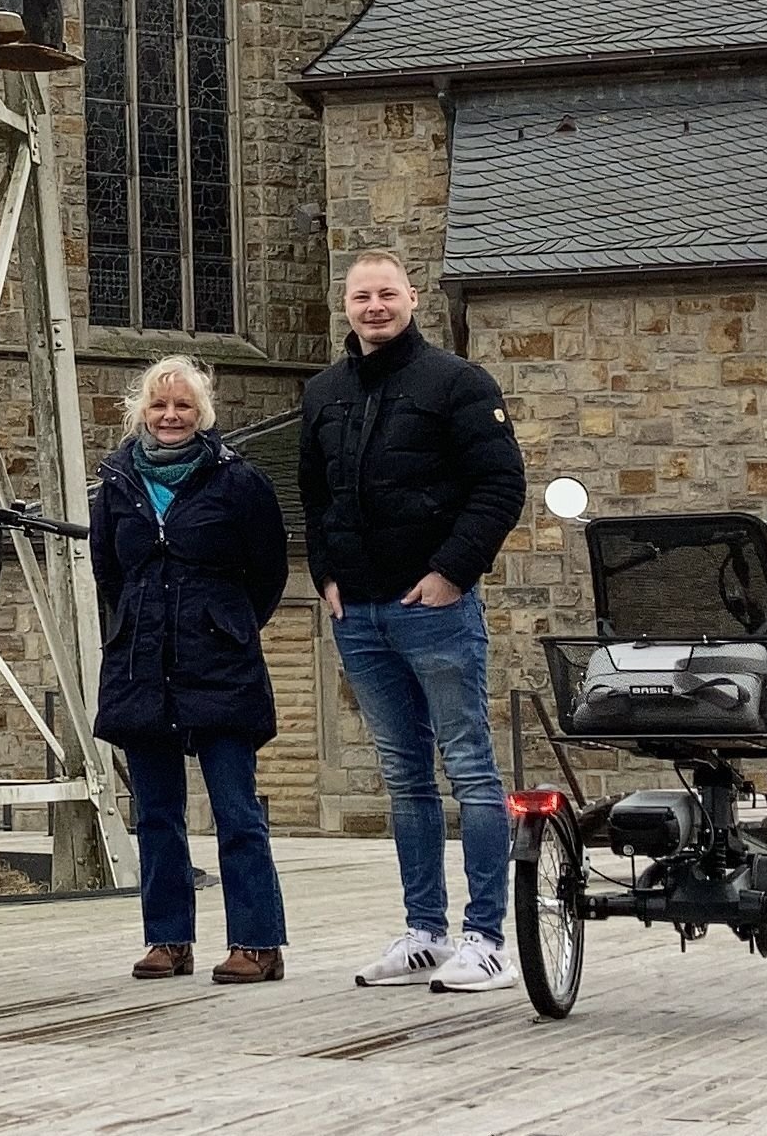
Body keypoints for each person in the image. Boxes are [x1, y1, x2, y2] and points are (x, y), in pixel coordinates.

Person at [300, 249, 527, 992]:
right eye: (361, 295)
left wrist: (450, 573)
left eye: (386, 293)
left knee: (468, 767)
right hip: (358, 613)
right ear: (345, 304)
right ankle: (424, 932)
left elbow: (499, 486)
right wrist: (325, 577)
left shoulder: (457, 382)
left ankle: (487, 938)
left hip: (434, 608)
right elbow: (314, 497)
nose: (374, 306)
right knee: (403, 775)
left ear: (411, 298)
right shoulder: (323, 392)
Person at [93, 356, 291, 983]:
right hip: (140, 667)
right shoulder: (116, 484)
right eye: (159, 405)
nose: (170, 416)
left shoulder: (240, 482)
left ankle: (257, 943)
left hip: (221, 665)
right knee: (156, 813)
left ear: (202, 414)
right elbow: (110, 575)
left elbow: (269, 575)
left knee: (236, 810)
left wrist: (223, 624)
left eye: (182, 406)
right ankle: (168, 939)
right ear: (142, 413)